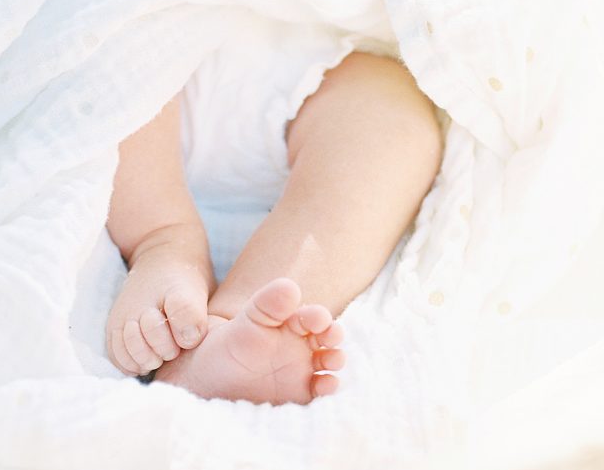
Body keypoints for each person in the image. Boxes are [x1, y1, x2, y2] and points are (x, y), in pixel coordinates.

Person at [105, 41, 444, 405]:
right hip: (175, 42)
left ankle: (234, 326)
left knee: (390, 122)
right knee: (115, 59)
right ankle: (164, 241)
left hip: (328, 58)